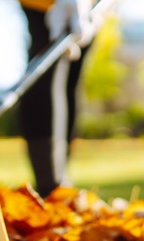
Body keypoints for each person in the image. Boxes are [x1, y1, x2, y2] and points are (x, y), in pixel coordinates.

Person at [17, 0, 95, 198]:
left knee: (72, 75)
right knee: (45, 69)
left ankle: (59, 186)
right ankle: (49, 184)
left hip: (93, 4)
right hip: (43, 4)